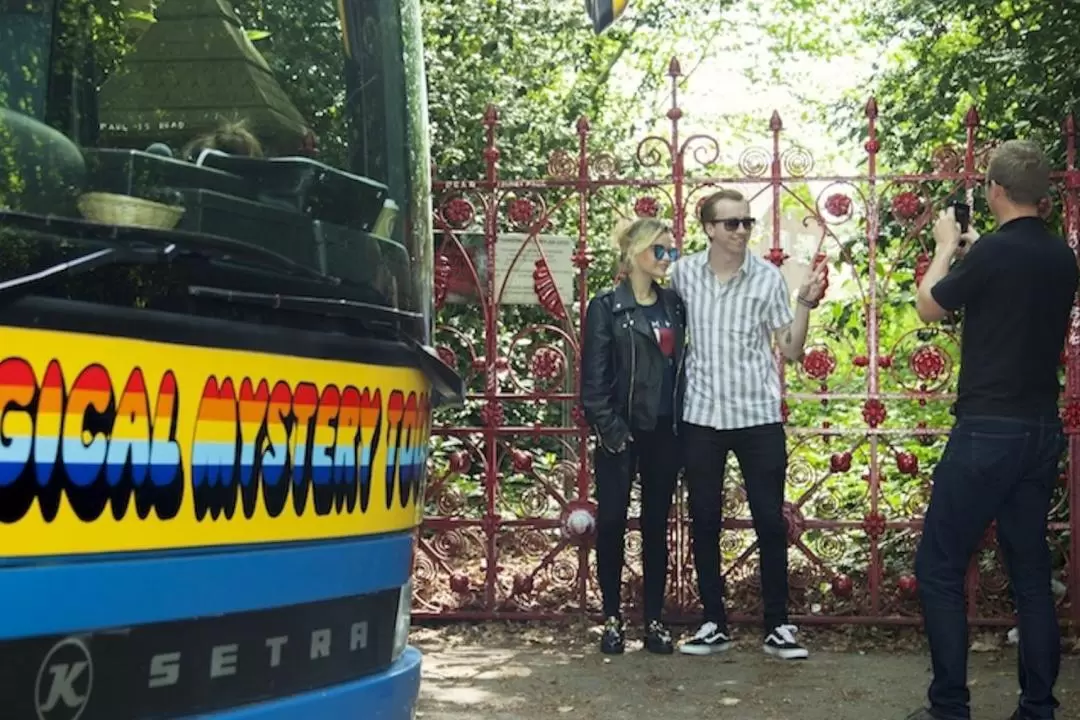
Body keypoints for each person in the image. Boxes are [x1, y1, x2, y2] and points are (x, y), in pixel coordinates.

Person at [905, 139, 1078, 720]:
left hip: (986, 429)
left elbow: (930, 306)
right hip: (1039, 429)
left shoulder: (990, 255)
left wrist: (946, 247)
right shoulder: (1061, 257)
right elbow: (1013, 297)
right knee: (1030, 572)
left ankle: (949, 705)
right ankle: (1038, 707)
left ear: (994, 190)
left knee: (939, 565)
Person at [669, 188, 826, 660]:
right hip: (701, 415)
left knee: (769, 522)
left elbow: (791, 349)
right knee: (705, 521)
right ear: (709, 229)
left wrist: (805, 303)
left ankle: (777, 625)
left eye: (747, 223)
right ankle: (712, 622)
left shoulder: (767, 280)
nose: (742, 231)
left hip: (757, 415)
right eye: (732, 223)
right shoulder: (682, 276)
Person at [581, 218, 686, 655]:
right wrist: (611, 431)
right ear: (634, 253)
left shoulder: (675, 305)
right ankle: (611, 618)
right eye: (659, 250)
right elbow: (593, 382)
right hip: (621, 433)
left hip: (664, 430)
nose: (667, 259)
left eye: (672, 251)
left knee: (656, 526)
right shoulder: (606, 307)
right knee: (611, 524)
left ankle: (655, 620)